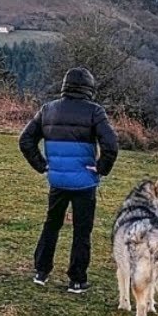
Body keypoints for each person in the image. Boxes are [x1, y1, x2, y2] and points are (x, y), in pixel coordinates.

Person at [19, 67, 119, 293]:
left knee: (51, 224)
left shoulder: (48, 110)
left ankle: (41, 271)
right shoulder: (95, 111)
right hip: (84, 182)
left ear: (65, 86)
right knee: (82, 231)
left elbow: (25, 141)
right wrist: (101, 168)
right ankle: (77, 280)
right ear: (89, 88)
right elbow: (111, 144)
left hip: (58, 180)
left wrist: (43, 166)